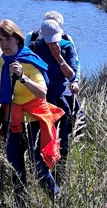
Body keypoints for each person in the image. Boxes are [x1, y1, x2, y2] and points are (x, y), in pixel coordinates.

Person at [0, 19, 64, 202]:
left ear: (17, 39)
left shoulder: (29, 61)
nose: (5, 44)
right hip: (11, 122)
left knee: (38, 168)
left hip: (33, 122)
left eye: (8, 39)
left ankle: (56, 200)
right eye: (0, 40)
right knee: (16, 169)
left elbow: (42, 92)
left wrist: (22, 78)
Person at [28, 12, 81, 156]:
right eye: (49, 40)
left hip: (61, 97)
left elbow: (72, 75)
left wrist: (58, 57)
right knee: (39, 134)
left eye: (55, 40)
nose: (53, 44)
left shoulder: (67, 46)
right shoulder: (34, 46)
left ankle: (61, 161)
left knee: (62, 132)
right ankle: (39, 159)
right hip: (40, 96)